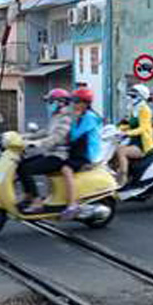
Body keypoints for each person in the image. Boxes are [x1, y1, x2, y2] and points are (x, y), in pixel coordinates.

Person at [16, 89, 74, 213]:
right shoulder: (56, 116)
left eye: (51, 101)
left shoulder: (66, 118)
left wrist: (35, 144)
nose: (49, 104)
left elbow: (56, 138)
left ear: (61, 102)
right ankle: (28, 194)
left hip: (59, 156)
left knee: (27, 169)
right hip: (50, 153)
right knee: (21, 165)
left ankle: (37, 201)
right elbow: (45, 132)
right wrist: (24, 137)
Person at [64, 87, 104, 219]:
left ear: (85, 103)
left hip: (89, 155)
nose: (73, 104)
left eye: (76, 101)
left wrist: (73, 119)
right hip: (80, 151)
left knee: (66, 168)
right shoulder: (82, 116)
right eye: (73, 101)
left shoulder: (89, 117)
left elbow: (74, 135)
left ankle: (72, 204)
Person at [115, 84, 153, 185]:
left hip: (142, 144)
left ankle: (122, 179)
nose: (130, 98)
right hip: (134, 140)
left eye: (133, 96)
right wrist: (117, 129)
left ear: (141, 97)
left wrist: (126, 133)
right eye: (130, 96)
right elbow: (131, 125)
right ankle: (117, 173)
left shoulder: (145, 110)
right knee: (115, 148)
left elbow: (143, 128)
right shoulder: (135, 109)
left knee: (121, 151)